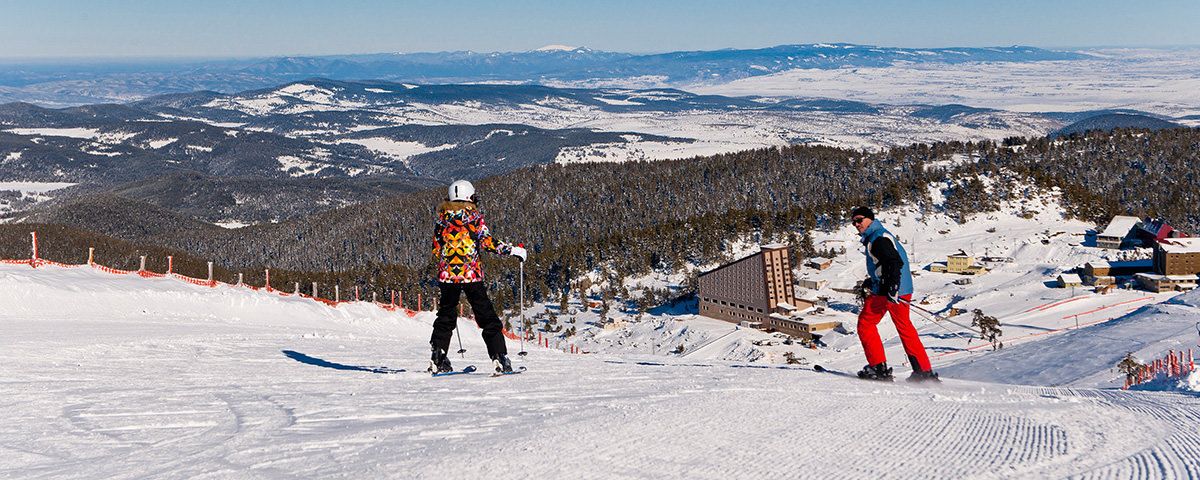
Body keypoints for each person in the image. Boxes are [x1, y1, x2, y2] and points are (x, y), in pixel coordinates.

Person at [429, 180, 527, 374]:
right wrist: (512, 250)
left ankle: (438, 356)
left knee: (446, 315)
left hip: (448, 276)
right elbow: (489, 243)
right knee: (486, 316)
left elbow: (436, 249)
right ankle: (499, 357)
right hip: (471, 275)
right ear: (469, 197)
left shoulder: (441, 222)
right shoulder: (474, 220)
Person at [850, 206, 938, 382]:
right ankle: (923, 371)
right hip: (896, 289)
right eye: (854, 222)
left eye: (859, 220)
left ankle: (878, 368)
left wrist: (892, 287)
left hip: (890, 291)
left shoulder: (878, 238)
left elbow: (893, 261)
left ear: (870, 219)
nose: (857, 224)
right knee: (904, 327)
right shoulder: (879, 235)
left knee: (866, 323)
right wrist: (873, 280)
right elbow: (885, 264)